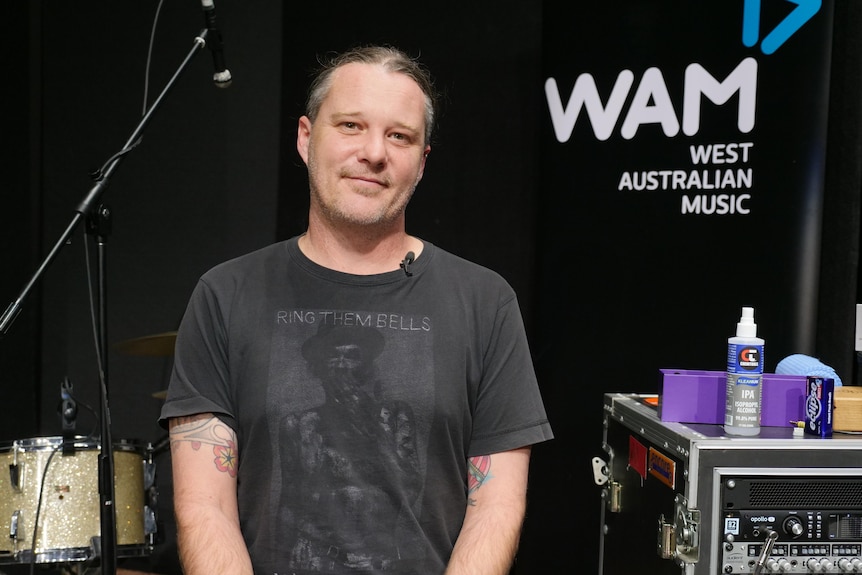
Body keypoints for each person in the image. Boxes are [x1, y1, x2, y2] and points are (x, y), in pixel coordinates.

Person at [158, 44, 553, 575]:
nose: (374, 152)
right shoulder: (226, 294)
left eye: (400, 136)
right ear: (305, 138)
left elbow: (497, 506)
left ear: (422, 161)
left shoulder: (484, 302)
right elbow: (205, 508)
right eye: (350, 125)